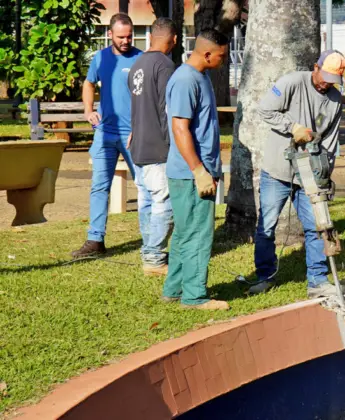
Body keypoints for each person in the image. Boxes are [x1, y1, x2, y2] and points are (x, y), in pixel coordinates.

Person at [249, 50, 345, 297]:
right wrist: (293, 128)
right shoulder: (292, 82)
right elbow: (265, 109)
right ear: (315, 67)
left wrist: (324, 174)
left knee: (317, 226)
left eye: (333, 80)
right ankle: (265, 276)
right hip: (278, 170)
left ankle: (317, 280)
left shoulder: (335, 99)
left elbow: (331, 141)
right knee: (267, 226)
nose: (327, 83)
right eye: (325, 76)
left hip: (309, 175)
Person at [161, 29, 230, 310]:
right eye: (222, 56)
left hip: (195, 170)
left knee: (184, 232)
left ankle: (175, 288)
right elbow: (180, 128)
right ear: (207, 54)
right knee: (198, 234)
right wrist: (199, 170)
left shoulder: (200, 76)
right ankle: (194, 296)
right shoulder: (186, 79)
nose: (224, 61)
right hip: (190, 174)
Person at [71, 13, 142, 258]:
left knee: (144, 186)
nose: (126, 40)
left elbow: (151, 98)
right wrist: (88, 110)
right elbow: (89, 84)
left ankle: (152, 241)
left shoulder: (141, 59)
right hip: (104, 135)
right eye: (121, 36)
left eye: (129, 36)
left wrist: (141, 127)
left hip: (133, 135)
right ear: (110, 34)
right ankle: (95, 240)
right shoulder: (100, 58)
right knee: (99, 188)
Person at [127, 18, 177, 276]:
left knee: (146, 200)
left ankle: (149, 253)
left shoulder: (137, 64)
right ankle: (155, 258)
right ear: (174, 39)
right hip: (158, 146)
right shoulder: (165, 65)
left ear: (150, 37)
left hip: (137, 145)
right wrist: (175, 146)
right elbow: (167, 110)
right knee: (162, 202)